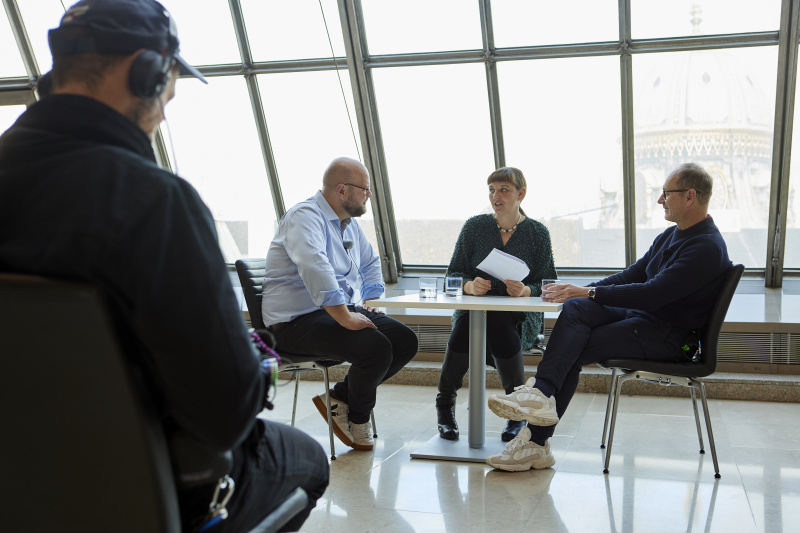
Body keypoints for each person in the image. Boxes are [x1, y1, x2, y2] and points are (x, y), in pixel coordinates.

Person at [0, 1, 329, 531]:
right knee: (306, 459)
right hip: (137, 491)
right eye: (168, 95)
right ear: (147, 72)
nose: (162, 114)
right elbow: (223, 417)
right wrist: (255, 367)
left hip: (16, 480)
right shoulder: (154, 203)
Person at [485, 162, 731, 472]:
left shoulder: (706, 247)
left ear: (690, 196)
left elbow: (652, 293)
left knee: (573, 347)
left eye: (666, 193)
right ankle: (540, 398)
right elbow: (634, 274)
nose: (660, 200)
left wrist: (588, 292)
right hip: (644, 321)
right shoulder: (672, 235)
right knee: (577, 308)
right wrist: (582, 292)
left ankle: (536, 437)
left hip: (669, 338)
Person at [262, 157, 419, 451]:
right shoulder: (304, 217)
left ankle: (340, 397)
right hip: (294, 324)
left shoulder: (347, 225)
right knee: (375, 347)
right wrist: (346, 317)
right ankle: (358, 419)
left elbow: (370, 262)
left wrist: (369, 301)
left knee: (405, 341)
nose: (368, 195)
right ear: (342, 189)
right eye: (364, 189)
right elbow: (315, 266)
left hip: (329, 314)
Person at [436, 167, 557, 443]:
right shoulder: (474, 227)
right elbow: (453, 275)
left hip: (520, 318)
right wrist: (469, 286)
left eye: (503, 190)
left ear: (521, 194)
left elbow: (548, 284)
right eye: (491, 190)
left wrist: (526, 290)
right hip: (474, 313)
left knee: (496, 316)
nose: (495, 196)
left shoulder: (538, 233)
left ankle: (504, 409)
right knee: (476, 316)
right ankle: (451, 407)